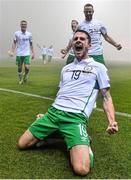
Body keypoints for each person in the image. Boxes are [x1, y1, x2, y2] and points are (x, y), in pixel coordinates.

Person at [18, 30, 118, 176]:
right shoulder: (65, 69)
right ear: (72, 44)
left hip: (75, 118)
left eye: (82, 39)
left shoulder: (99, 68)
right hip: (53, 114)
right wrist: (47, 114)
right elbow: (61, 94)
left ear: (89, 45)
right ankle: (59, 132)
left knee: (82, 169)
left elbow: (106, 97)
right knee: (22, 144)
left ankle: (85, 142)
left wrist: (112, 121)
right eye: (75, 38)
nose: (78, 40)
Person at [9, 20, 35, 84]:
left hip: (27, 53)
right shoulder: (16, 33)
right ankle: (20, 79)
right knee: (19, 68)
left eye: (25, 24)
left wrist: (33, 52)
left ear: (26, 26)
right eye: (22, 24)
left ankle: (25, 75)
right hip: (19, 53)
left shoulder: (29, 34)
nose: (24, 25)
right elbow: (14, 43)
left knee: (27, 67)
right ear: (20, 25)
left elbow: (31, 44)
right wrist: (12, 51)